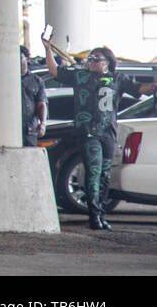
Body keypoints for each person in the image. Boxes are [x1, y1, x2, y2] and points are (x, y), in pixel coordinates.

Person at [42, 37, 154, 230]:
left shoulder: (118, 79)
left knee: (105, 175)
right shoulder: (80, 76)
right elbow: (55, 71)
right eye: (90, 58)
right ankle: (94, 215)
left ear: (107, 62)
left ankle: (101, 212)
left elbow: (138, 90)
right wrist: (48, 49)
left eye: (96, 59)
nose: (92, 61)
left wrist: (152, 86)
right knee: (93, 171)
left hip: (108, 133)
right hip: (87, 132)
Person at [20, 46, 48, 149]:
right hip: (13, 129)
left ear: (26, 58)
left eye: (20, 58)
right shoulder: (9, 80)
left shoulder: (36, 80)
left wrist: (43, 123)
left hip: (30, 130)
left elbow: (41, 104)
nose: (18, 62)